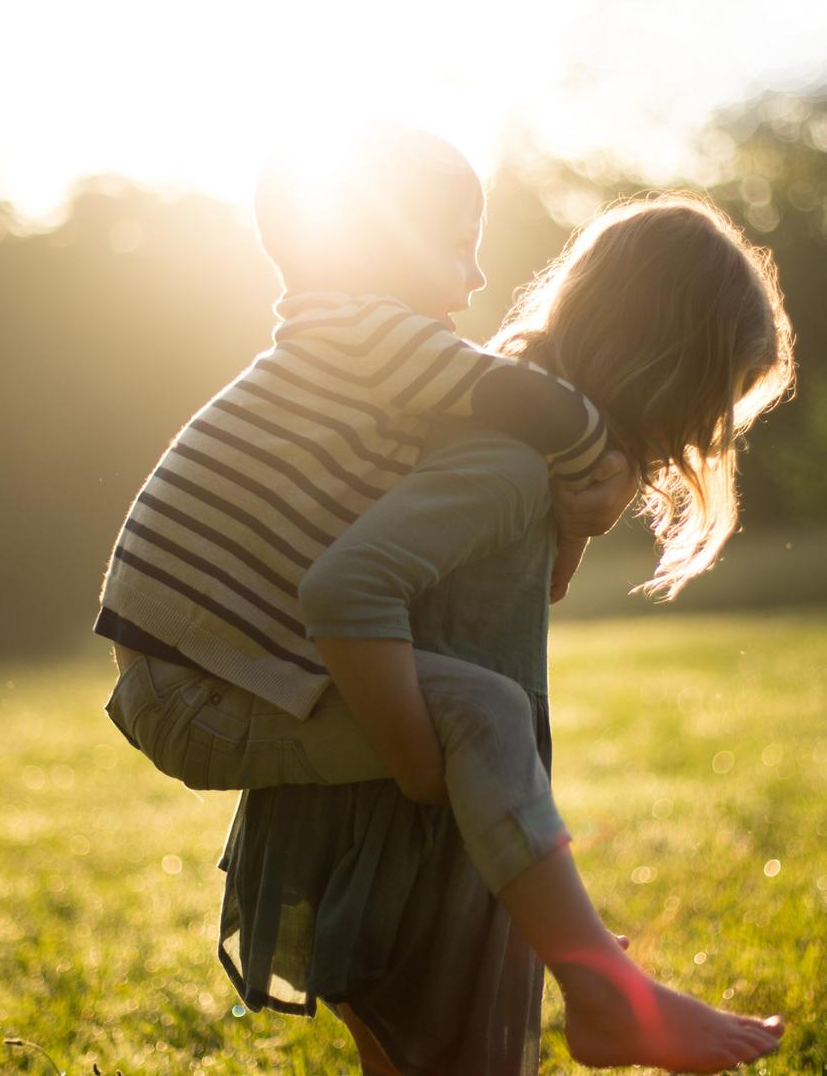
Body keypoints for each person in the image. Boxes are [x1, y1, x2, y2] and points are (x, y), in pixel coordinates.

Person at [217, 196, 795, 1074]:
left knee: (420, 1057)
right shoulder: (507, 462)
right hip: (407, 808)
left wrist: (576, 520)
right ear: (661, 372)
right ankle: (606, 995)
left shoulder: (523, 451)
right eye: (708, 401)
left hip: (438, 801)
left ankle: (601, 989)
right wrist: (417, 761)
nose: (699, 435)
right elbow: (348, 585)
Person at [96, 120, 627, 809]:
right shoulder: (370, 335)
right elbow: (540, 405)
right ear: (380, 246)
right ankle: (449, 815)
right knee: (485, 721)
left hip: (185, 674)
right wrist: (599, 484)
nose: (479, 274)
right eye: (460, 245)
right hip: (195, 691)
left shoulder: (344, 343)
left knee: (476, 712)